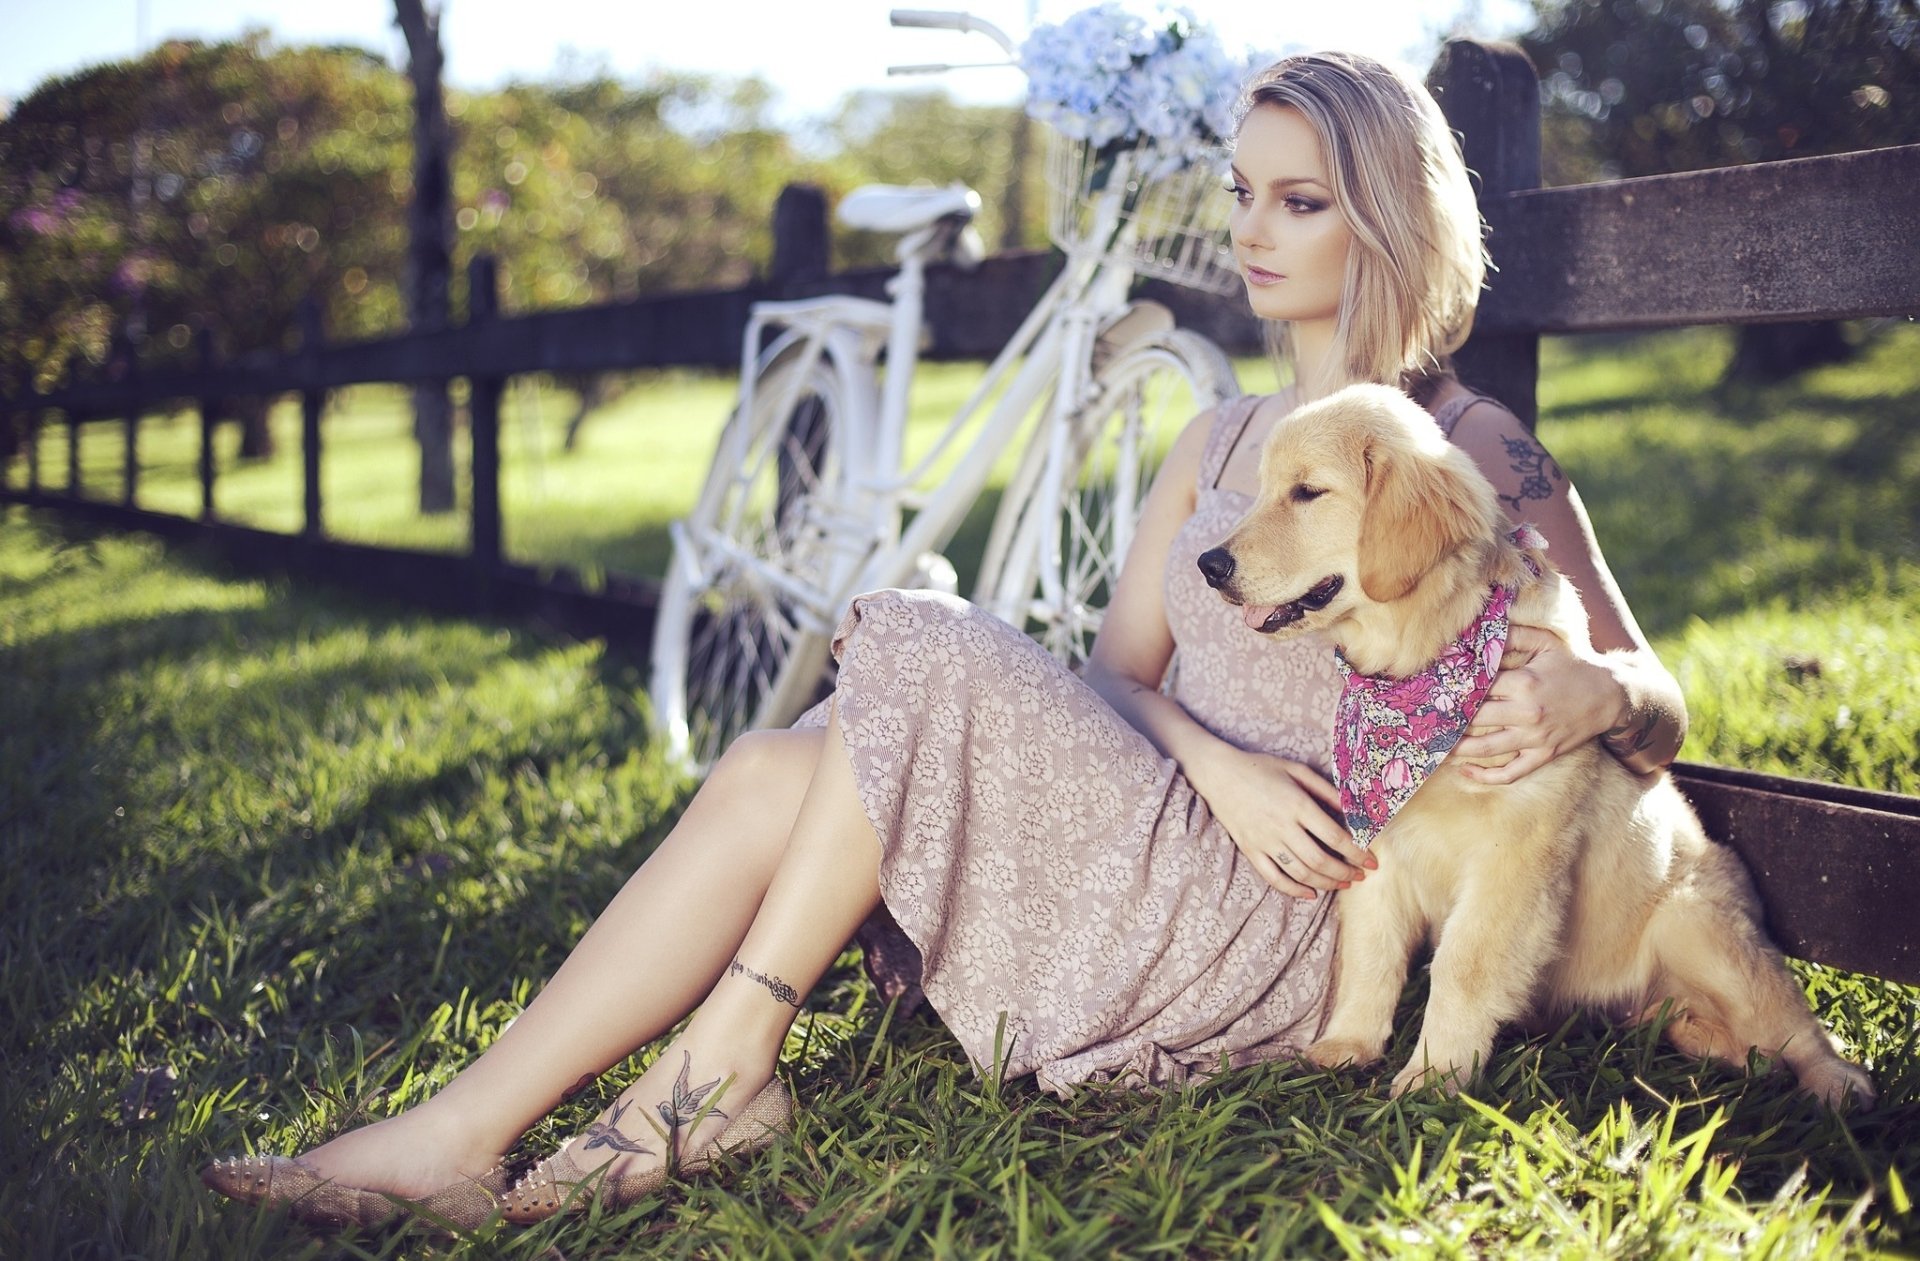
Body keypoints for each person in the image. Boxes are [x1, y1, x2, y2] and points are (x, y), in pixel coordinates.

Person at [202, 50, 1687, 1230]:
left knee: (916, 631)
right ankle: (466, 1130)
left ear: (1387, 213)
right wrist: (1217, 764)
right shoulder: (1215, 440)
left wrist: (1595, 685)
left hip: (1302, 919)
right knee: (779, 769)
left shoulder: (1471, 447)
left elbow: (1658, 694)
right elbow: (1118, 678)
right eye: (1241, 190)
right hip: (1180, 827)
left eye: (1299, 198)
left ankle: (725, 1062)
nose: (1248, 228)